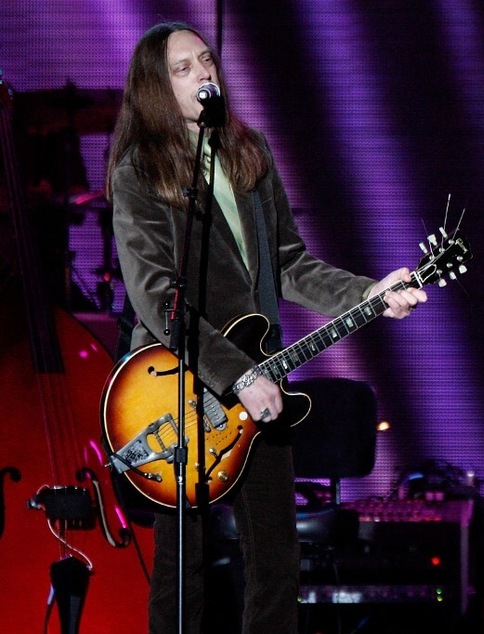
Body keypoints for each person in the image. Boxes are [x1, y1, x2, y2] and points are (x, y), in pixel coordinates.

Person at [105, 22, 427, 634]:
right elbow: (156, 298)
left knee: (277, 561)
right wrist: (233, 371)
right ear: (155, 88)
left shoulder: (250, 155)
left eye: (206, 59)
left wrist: (370, 293)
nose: (204, 72)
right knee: (185, 569)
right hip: (178, 391)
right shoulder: (139, 175)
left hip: (264, 387)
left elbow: (288, 263)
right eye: (184, 68)